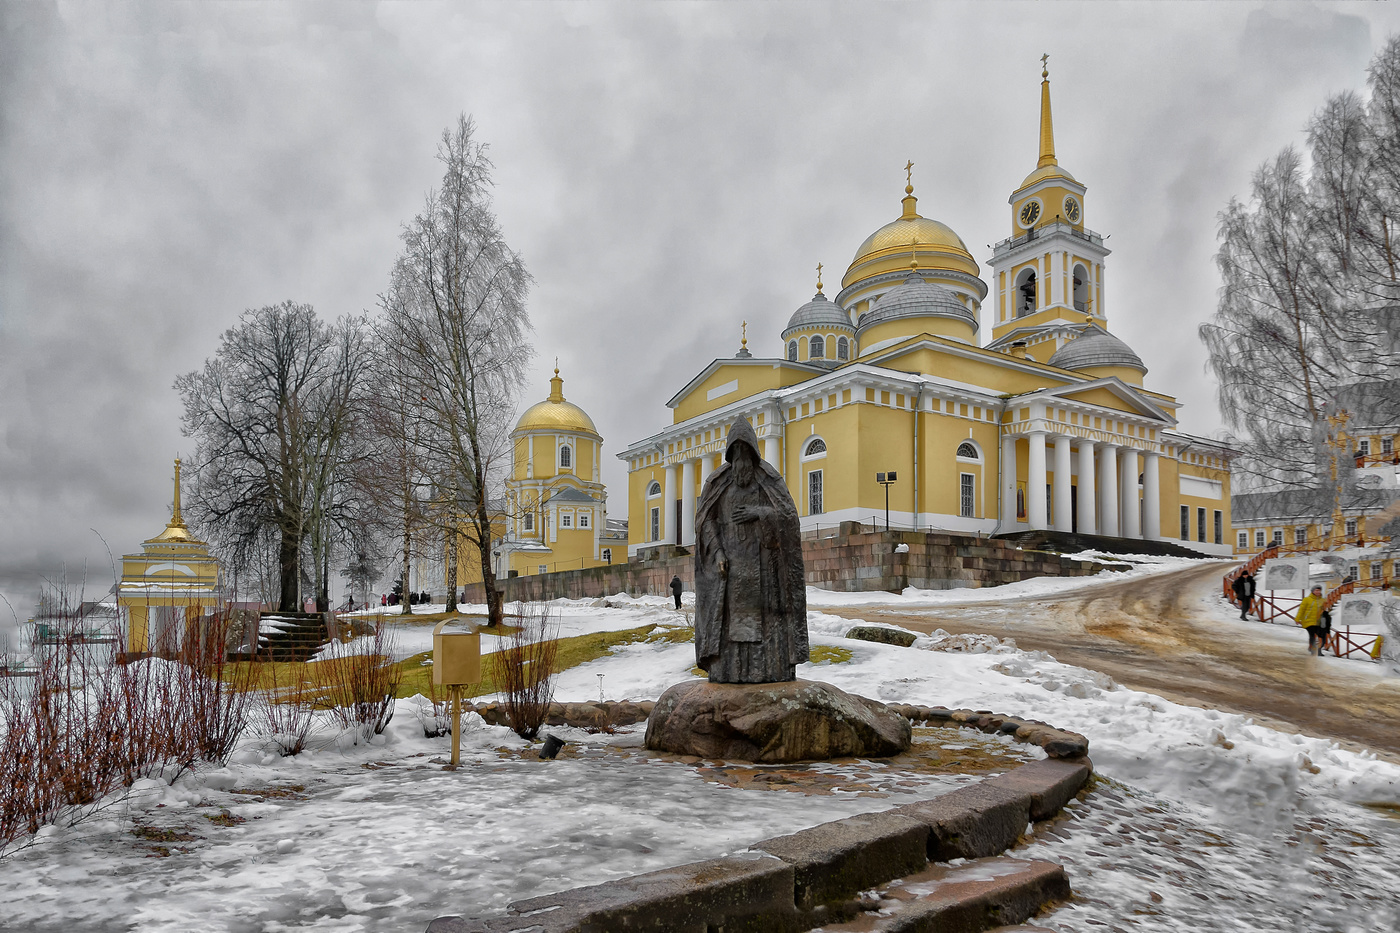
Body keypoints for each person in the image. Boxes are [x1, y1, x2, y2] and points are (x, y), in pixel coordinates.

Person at [694, 417, 809, 683]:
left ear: (754, 453)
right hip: (731, 569)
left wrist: (759, 513)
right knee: (731, 623)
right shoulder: (717, 482)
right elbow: (705, 521)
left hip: (764, 569)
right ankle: (728, 671)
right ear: (730, 454)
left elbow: (788, 517)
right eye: (737, 453)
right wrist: (718, 552)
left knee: (766, 621)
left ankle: (770, 670)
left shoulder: (768, 479)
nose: (742, 461)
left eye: (746, 453)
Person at [1297, 584, 1326, 655]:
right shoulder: (1307, 599)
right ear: (1312, 591)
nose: (1318, 592)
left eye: (1319, 590)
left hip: (1319, 621)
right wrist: (1298, 619)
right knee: (1313, 635)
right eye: (1316, 590)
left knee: (1321, 636)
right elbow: (1301, 610)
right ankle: (1313, 650)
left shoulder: (1322, 600)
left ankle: (1318, 650)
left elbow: (1325, 611)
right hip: (1309, 621)